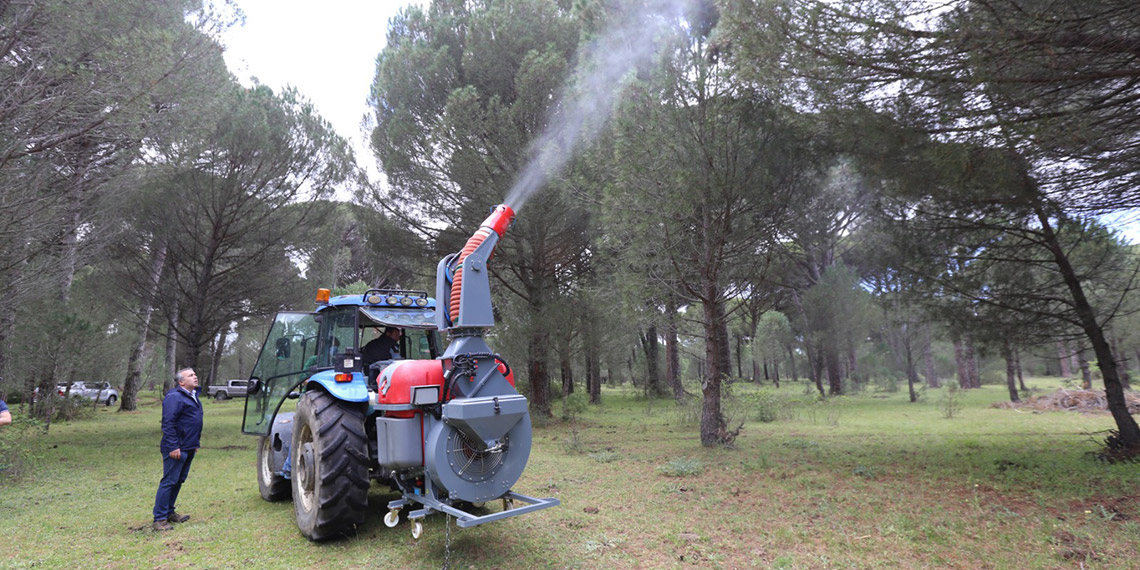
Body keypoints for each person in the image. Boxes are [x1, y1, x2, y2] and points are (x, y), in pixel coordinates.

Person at [152, 368, 203, 532]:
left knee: (179, 480)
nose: (195, 377)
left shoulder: (193, 396)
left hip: (188, 447)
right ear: (181, 382)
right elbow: (168, 423)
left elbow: (191, 422)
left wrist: (194, 443)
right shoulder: (174, 397)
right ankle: (159, 519)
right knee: (169, 481)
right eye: (190, 375)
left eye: (195, 374)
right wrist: (174, 446)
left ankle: (169, 512)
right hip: (175, 448)